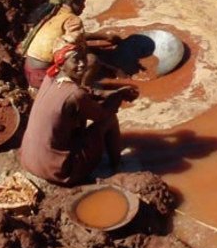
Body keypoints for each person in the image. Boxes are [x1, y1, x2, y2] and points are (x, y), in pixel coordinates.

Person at [19, 44, 136, 185]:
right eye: (75, 60)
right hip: (60, 172)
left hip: (29, 161)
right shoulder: (75, 94)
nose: (82, 64)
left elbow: (84, 93)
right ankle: (117, 166)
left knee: (76, 119)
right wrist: (119, 97)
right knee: (109, 120)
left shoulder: (50, 78)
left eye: (83, 58)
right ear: (62, 64)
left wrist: (111, 93)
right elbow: (102, 114)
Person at [18, 0, 116, 89]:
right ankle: (84, 87)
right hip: (44, 77)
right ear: (74, 0)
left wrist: (104, 36)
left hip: (29, 72)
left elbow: (78, 35)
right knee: (92, 60)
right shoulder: (72, 19)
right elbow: (73, 47)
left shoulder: (51, 13)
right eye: (82, 2)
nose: (84, 6)